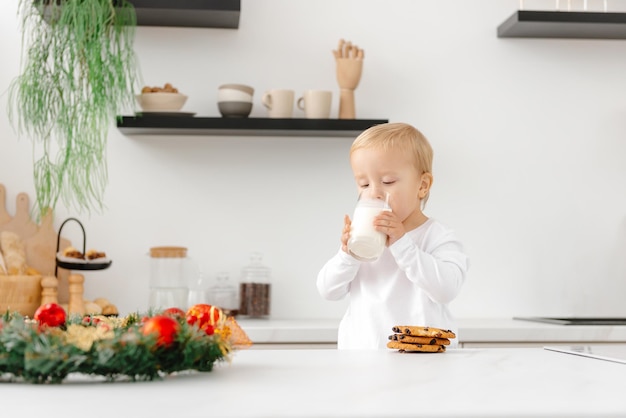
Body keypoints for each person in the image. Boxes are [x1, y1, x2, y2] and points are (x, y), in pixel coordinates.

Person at [316, 122, 469, 349]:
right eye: (364, 184)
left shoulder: (437, 236)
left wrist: (402, 244)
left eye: (387, 182)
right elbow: (328, 290)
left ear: (422, 185)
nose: (374, 192)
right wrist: (347, 255)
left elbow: (446, 290)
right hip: (363, 359)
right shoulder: (362, 238)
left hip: (425, 363)